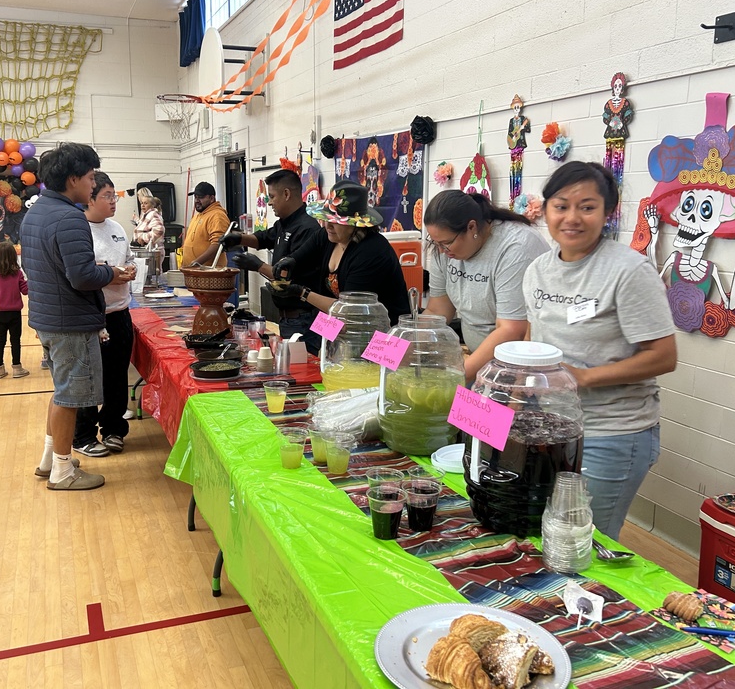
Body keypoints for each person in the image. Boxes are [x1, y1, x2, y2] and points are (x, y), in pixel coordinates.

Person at [523, 161, 677, 540]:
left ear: (608, 213)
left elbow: (663, 356)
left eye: (587, 207)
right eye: (561, 206)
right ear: (546, 210)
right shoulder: (538, 270)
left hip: (611, 432)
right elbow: (534, 337)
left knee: (584, 539)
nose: (572, 218)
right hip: (553, 427)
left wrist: (584, 377)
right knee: (547, 530)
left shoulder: (628, 270)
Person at [20, 142, 135, 491]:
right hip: (69, 320)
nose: (91, 184)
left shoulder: (36, 212)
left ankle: (49, 458)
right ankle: (63, 470)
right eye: (88, 178)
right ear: (72, 179)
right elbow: (83, 276)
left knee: (61, 393)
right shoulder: (69, 216)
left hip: (49, 316)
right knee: (71, 398)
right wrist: (112, 273)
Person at [423, 190, 549, 382]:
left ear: (471, 227)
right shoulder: (445, 251)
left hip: (518, 372)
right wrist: (402, 344)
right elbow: (437, 310)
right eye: (436, 243)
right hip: (479, 364)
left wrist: (455, 379)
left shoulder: (516, 247)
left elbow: (511, 329)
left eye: (446, 243)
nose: (441, 251)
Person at [271, 179, 409, 324]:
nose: (328, 225)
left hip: (384, 335)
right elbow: (298, 258)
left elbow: (348, 310)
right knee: (313, 345)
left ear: (356, 223)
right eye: (326, 218)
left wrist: (303, 293)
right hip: (341, 325)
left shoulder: (371, 251)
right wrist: (289, 261)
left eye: (336, 221)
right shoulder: (327, 236)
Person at [219, 169, 326, 354]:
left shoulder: (307, 229)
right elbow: (263, 238)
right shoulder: (284, 223)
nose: (269, 202)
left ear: (286, 194)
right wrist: (238, 238)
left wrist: (257, 266)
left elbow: (288, 278)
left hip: (304, 318)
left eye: (272, 196)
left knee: (303, 370)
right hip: (286, 318)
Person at [73, 172, 136, 457]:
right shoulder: (77, 230)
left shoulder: (117, 228)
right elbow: (80, 274)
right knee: (87, 379)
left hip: (120, 313)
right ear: (90, 198)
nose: (113, 202)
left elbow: (129, 258)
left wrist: (131, 270)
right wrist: (108, 275)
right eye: (107, 196)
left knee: (116, 376)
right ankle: (83, 434)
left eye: (115, 195)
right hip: (91, 318)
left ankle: (113, 429)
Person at [0, 240, 29, 379]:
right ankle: (17, 368)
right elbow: (26, 291)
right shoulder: (18, 274)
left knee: (0, 341)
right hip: (15, 313)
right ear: (13, 257)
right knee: (15, 341)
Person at [181, 182, 230, 267]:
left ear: (211, 198)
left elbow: (217, 244)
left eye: (200, 197)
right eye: (195, 197)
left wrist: (196, 263)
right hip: (193, 272)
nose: (197, 201)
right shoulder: (199, 215)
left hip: (208, 273)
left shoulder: (217, 216)